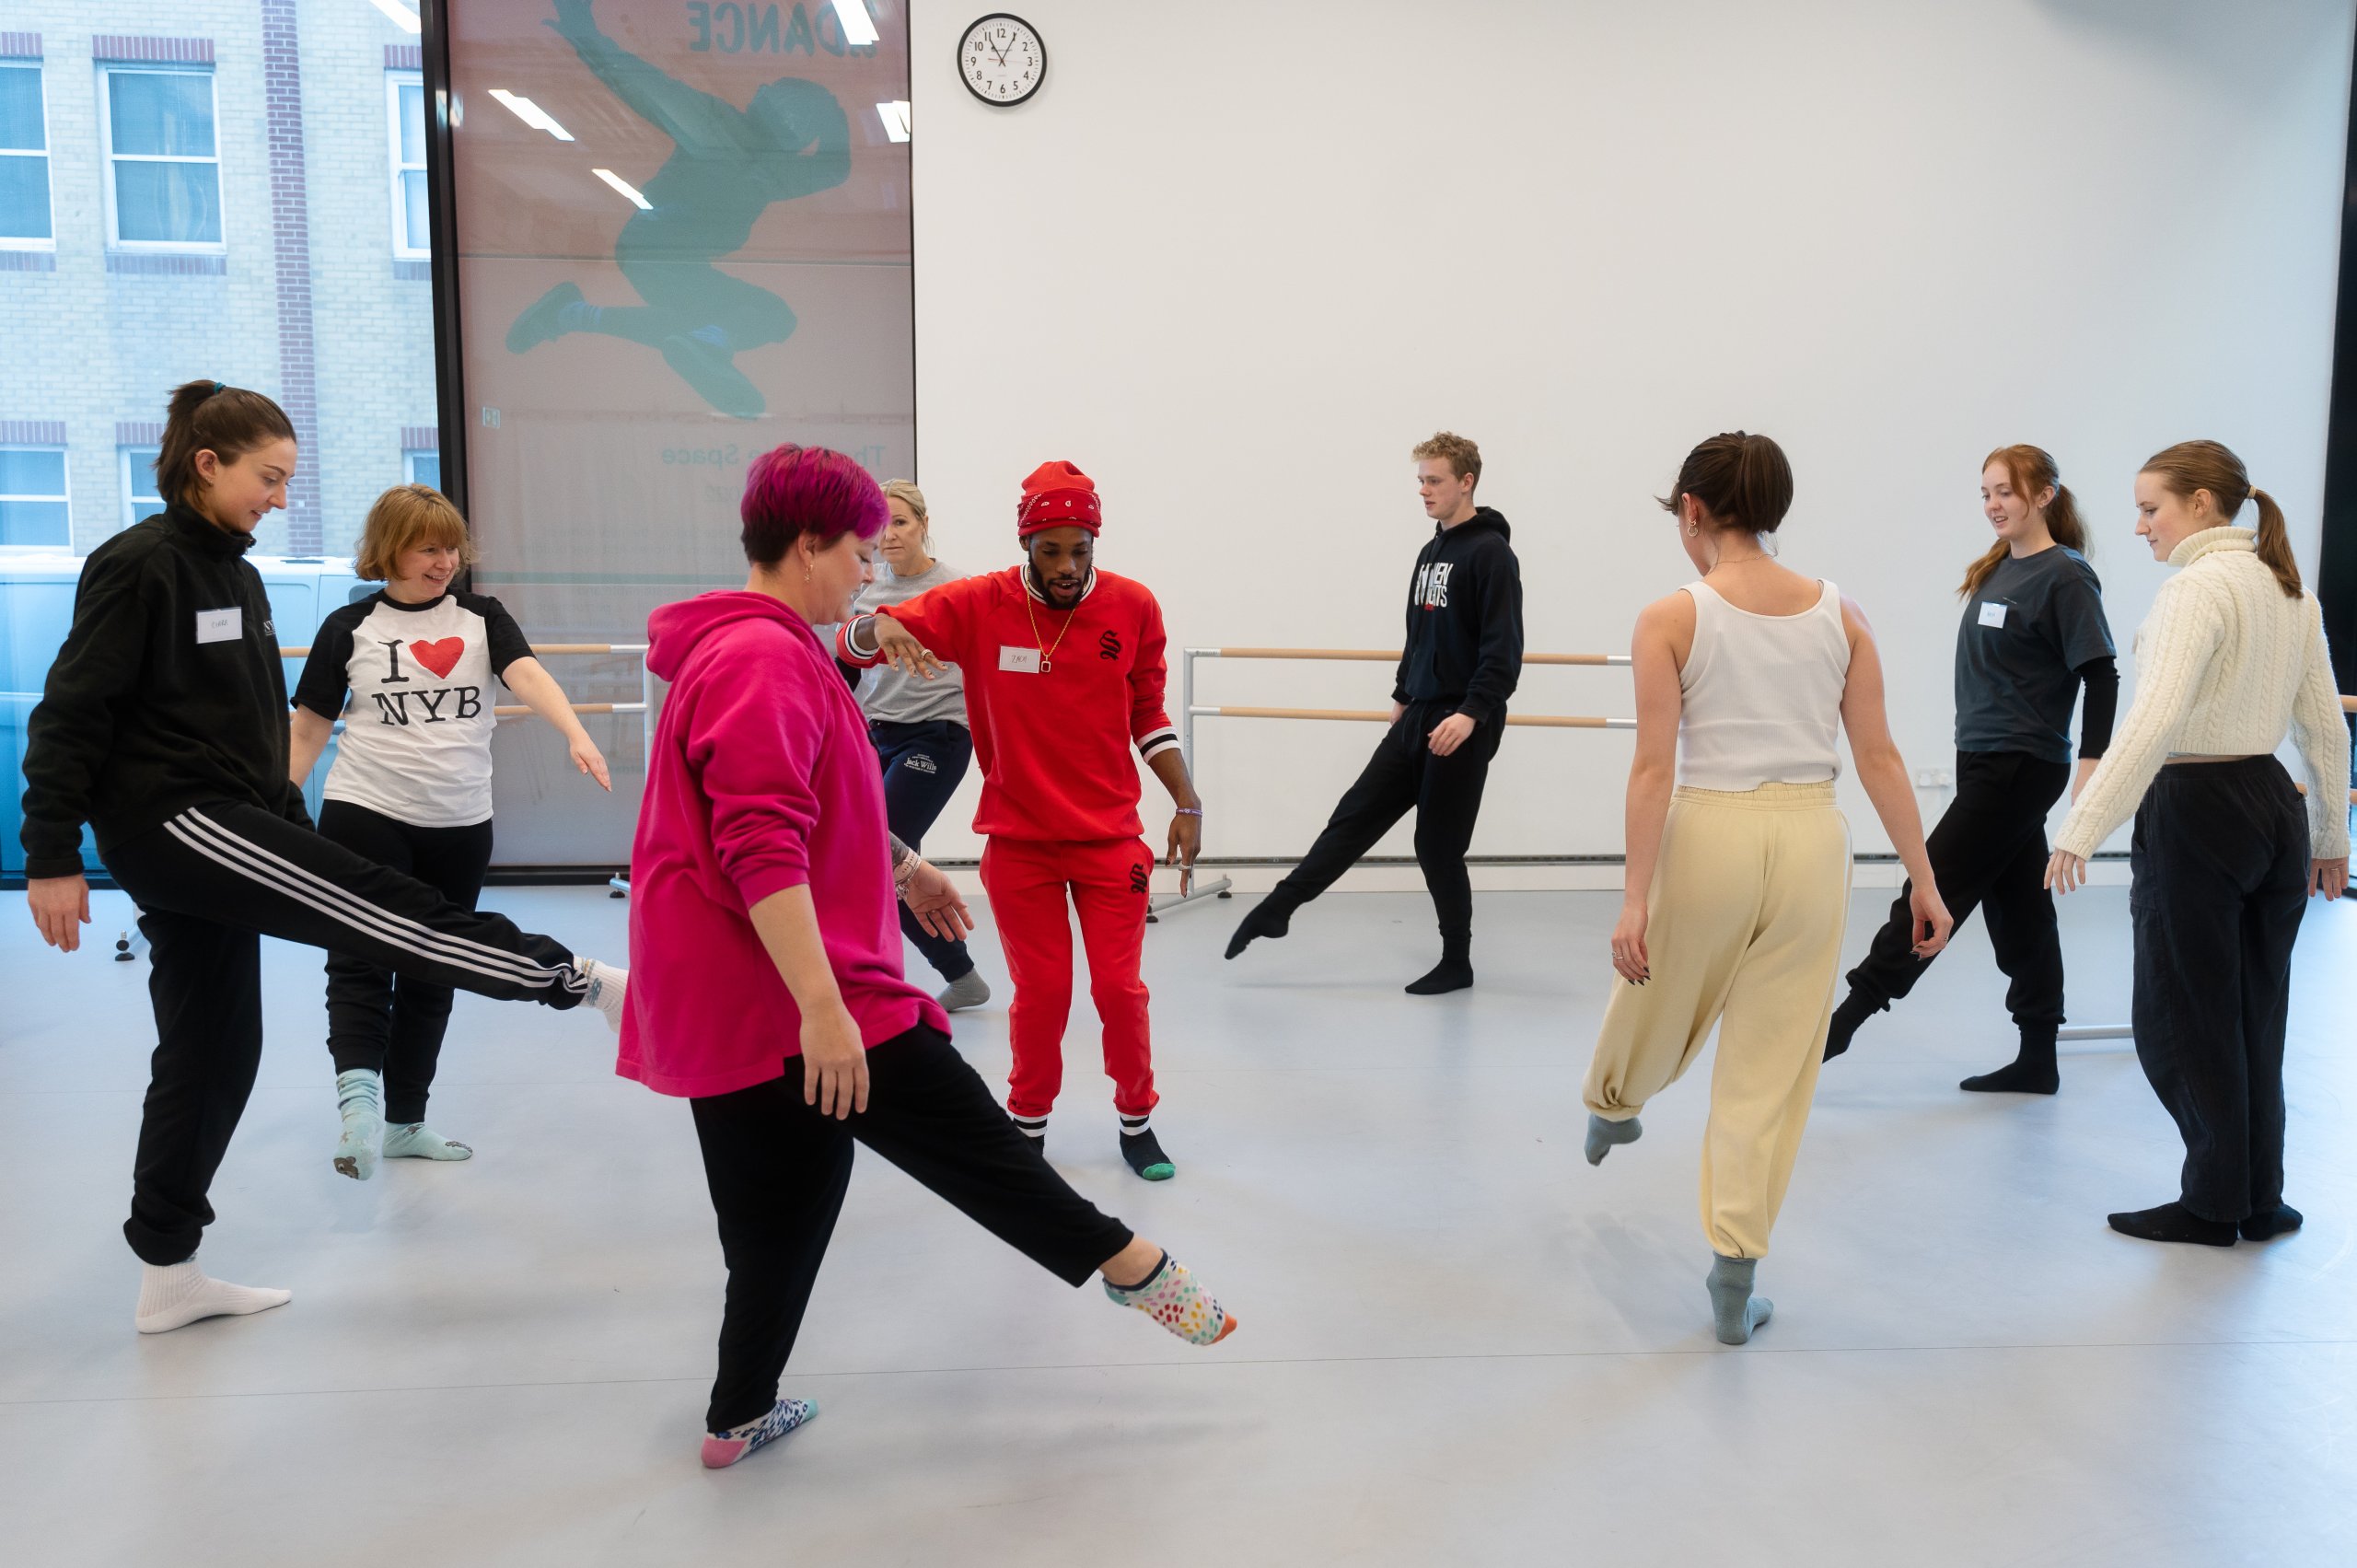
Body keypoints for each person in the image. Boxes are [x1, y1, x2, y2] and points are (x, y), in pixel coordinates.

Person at [622, 443, 1235, 1470]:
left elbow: (809, 796)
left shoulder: (749, 645)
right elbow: (760, 843)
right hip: (795, 993)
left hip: (735, 1003)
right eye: (860, 551)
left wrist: (904, 865)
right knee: (969, 1138)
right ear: (809, 542)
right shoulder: (766, 656)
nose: (870, 570)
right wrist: (822, 1008)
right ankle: (1130, 1263)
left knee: (780, 1209)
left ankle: (737, 1414)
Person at [19, 380, 628, 1335]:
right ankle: (583, 981)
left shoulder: (239, 576)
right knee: (386, 908)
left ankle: (168, 1269)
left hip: (228, 813)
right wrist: (51, 850)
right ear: (206, 464)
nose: (280, 496)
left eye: (288, 479)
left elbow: (262, 725)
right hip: (176, 820)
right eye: (268, 476)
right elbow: (72, 710)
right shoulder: (141, 565)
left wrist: (282, 812)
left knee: (216, 1047)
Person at [1582, 432, 1953, 1344]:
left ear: (1693, 511)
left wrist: (1633, 899)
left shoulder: (1669, 616)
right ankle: (1732, 1273)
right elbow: (1877, 756)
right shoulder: (1842, 612)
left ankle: (1611, 1102)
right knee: (1773, 1064)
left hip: (1711, 828)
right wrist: (1923, 878)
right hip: (1812, 839)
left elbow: (1650, 769)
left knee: (1657, 984)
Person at [839, 461, 1202, 1179]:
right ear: (1026, 542)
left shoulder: (1133, 607)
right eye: (1051, 550)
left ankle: (1137, 1119)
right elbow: (856, 644)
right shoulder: (980, 602)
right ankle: (1026, 1128)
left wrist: (1187, 801)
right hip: (1020, 843)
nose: (1067, 567)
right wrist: (873, 623)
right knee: (1042, 995)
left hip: (1109, 840)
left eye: (1081, 549)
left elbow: (1149, 716)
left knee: (1119, 989)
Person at [2048, 441, 2348, 1247]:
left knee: (2180, 1014)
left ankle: (2213, 1202)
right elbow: (2323, 728)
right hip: (2270, 806)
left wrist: (2081, 827)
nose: (2141, 525)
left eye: (2152, 508)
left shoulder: (2195, 590)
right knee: (2257, 1010)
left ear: (2204, 506)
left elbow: (2156, 718)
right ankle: (2258, 1196)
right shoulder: (2291, 590)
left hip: (2195, 807)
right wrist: (2330, 835)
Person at [289, 485, 614, 1179]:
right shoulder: (350, 627)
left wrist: (575, 732)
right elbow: (310, 725)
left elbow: (527, 674)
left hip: (459, 823)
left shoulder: (480, 618)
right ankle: (357, 1112)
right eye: (428, 547)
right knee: (359, 959)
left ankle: (407, 1121)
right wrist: (274, 798)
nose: (445, 560)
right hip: (365, 812)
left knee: (436, 965)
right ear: (389, 550)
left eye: (451, 546)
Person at [1823, 446, 2117, 1094]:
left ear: (2043, 494)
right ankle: (2039, 1053)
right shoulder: (1998, 569)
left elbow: (2101, 671)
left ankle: (1840, 1025)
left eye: (2006, 492)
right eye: (1986, 493)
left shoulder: (2065, 576)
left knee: (1934, 882)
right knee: (2020, 908)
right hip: (1984, 758)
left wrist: (2091, 763)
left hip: (2021, 762)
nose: (1993, 504)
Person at [1225, 431, 1523, 994]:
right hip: (1417, 714)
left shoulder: (1491, 555)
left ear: (1467, 482)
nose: (1424, 491)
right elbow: (1418, 634)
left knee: (1436, 846)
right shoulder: (1431, 550)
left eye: (1434, 481)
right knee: (1354, 815)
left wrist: (1472, 714)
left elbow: (1503, 649)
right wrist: (1402, 694)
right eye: (1420, 481)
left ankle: (1457, 961)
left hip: (1460, 722)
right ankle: (1281, 906)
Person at [505, 0, 853, 419]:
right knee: (770, 315)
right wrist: (585, 33)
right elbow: (642, 87)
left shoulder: (767, 166)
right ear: (795, 134)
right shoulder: (725, 136)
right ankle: (705, 340)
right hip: (658, 246)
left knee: (708, 322)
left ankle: (572, 315)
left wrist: (586, 33)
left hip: (658, 249)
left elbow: (639, 85)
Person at [840, 479, 990, 1011]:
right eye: (879, 528)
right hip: (876, 737)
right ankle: (958, 977)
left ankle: (885, 982)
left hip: (938, 735)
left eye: (900, 523)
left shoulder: (958, 588)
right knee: (892, 866)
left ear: (924, 525)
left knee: (878, 855)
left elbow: (988, 664)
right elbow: (844, 673)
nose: (889, 537)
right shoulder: (865, 591)